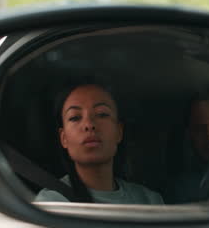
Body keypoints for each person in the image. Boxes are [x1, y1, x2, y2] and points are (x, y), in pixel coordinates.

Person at [35, 80, 163, 204]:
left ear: (119, 132)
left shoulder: (149, 201)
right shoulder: (51, 203)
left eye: (102, 114)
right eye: (75, 117)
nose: (89, 125)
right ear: (64, 138)